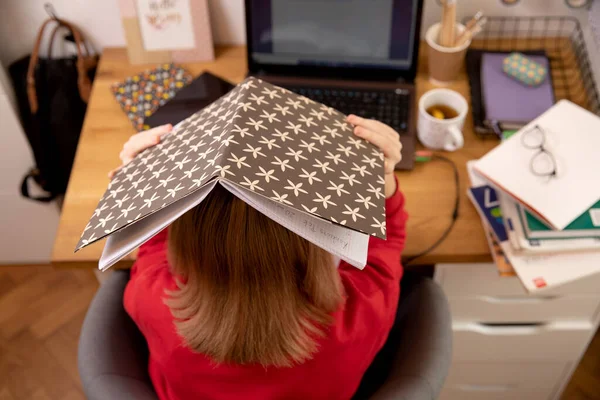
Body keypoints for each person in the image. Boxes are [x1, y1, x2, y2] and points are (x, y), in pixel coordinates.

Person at [119, 115, 408, 400]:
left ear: (182, 239)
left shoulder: (151, 299)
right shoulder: (363, 310)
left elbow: (151, 246)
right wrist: (382, 177)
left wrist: (144, 181)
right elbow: (388, 242)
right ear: (318, 238)